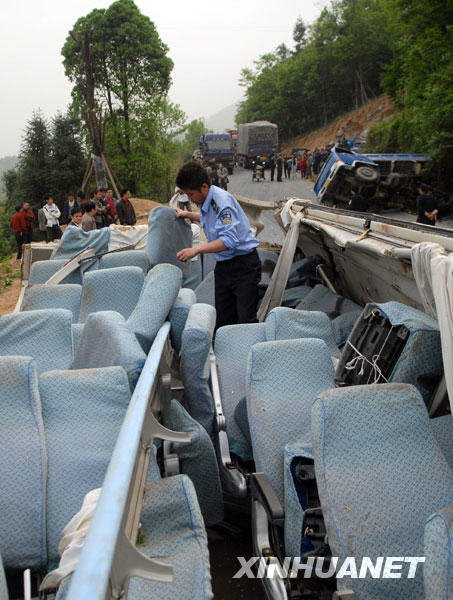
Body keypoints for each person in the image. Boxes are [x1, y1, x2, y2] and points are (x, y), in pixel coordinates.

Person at [175, 161, 261, 330]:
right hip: (224, 267)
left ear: (204, 187)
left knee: (246, 321)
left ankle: (245, 354)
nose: (190, 199)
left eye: (191, 194)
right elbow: (210, 218)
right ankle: (228, 354)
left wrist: (196, 249)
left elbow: (229, 240)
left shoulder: (221, 202)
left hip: (244, 266)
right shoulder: (207, 201)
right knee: (223, 320)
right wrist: (188, 214)